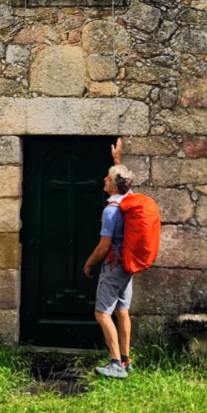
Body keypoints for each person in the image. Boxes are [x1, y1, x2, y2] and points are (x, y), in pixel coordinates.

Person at [83, 138, 134, 379]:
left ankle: (115, 363)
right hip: (128, 265)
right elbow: (122, 178)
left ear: (114, 186)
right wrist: (116, 160)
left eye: (108, 178)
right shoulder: (129, 199)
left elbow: (104, 246)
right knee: (122, 311)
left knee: (102, 313)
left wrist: (89, 262)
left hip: (113, 265)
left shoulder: (111, 210)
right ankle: (126, 360)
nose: (104, 179)